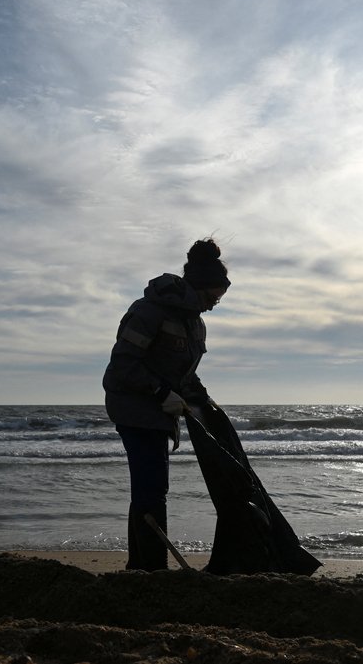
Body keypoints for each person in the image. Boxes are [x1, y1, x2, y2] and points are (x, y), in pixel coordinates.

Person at [102, 238, 231, 571]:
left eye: (218, 300)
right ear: (197, 287)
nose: (213, 306)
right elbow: (123, 364)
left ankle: (140, 566)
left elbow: (184, 375)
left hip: (159, 412)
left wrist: (205, 401)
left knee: (151, 488)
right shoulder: (150, 311)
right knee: (152, 488)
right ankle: (152, 569)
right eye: (211, 298)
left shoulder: (195, 324)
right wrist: (161, 393)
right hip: (132, 408)